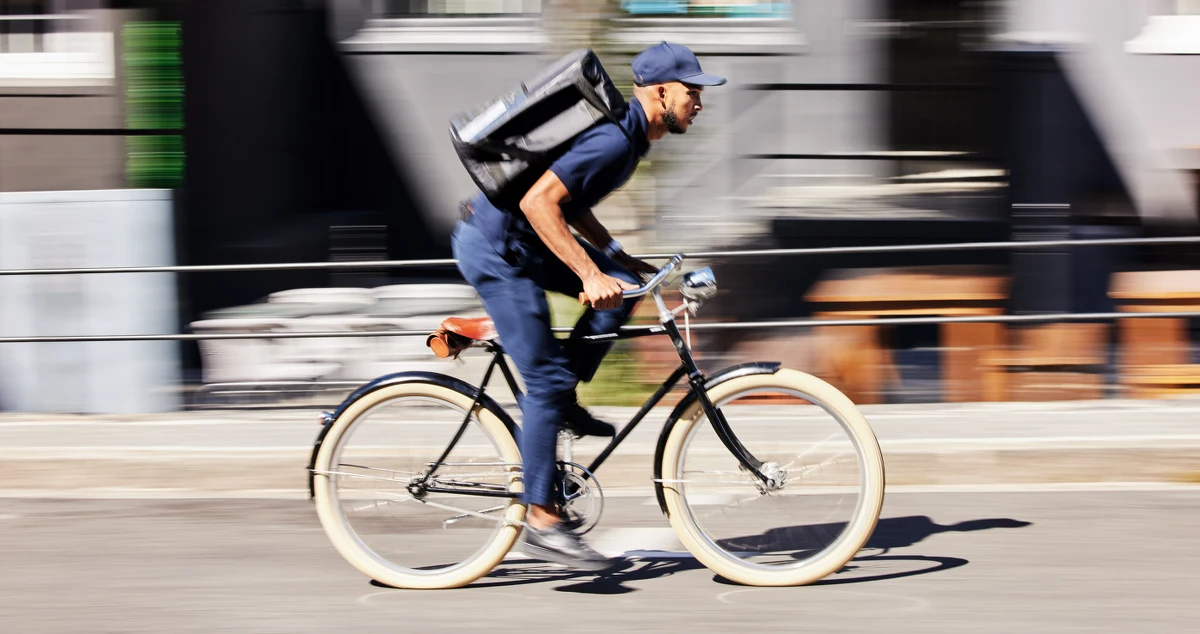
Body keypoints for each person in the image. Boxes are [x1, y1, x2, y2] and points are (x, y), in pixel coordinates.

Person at [451, 41, 726, 570]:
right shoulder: (613, 141)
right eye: (692, 91)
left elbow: (566, 201)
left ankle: (561, 405)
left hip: (523, 245)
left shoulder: (631, 140)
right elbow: (538, 203)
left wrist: (617, 258)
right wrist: (587, 271)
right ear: (660, 91)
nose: (699, 102)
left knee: (621, 285)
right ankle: (542, 519)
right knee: (548, 380)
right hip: (498, 252)